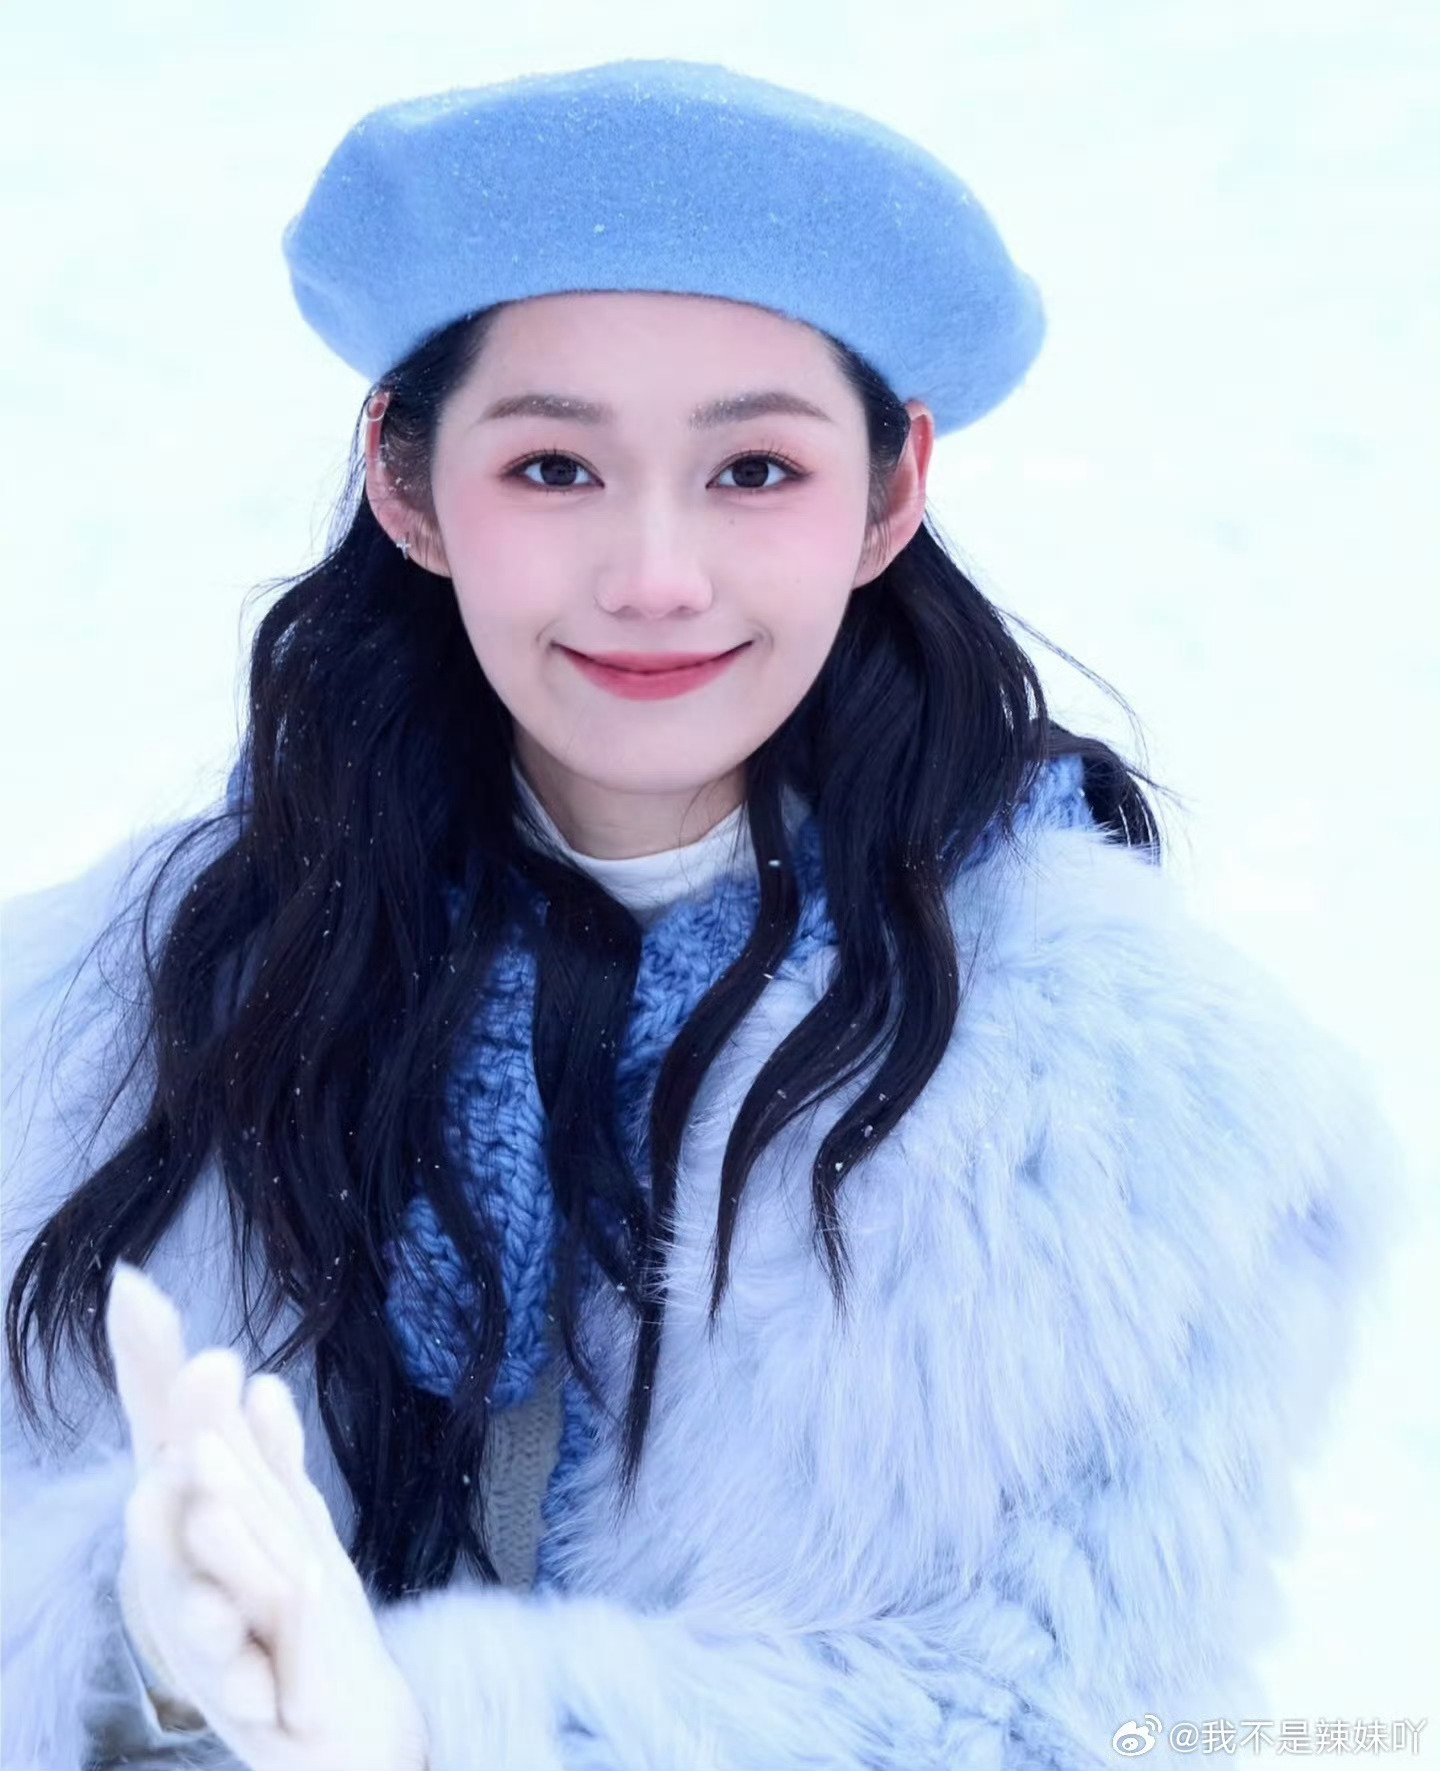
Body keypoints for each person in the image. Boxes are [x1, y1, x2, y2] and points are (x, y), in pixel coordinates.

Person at [0, 58, 1402, 1771]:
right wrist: (134, 1654)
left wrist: (443, 1733)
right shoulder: (112, 1023)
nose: (654, 576)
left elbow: (1052, 1717)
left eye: (753, 470)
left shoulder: (1127, 1111)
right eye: (553, 467)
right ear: (407, 483)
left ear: (889, 493)